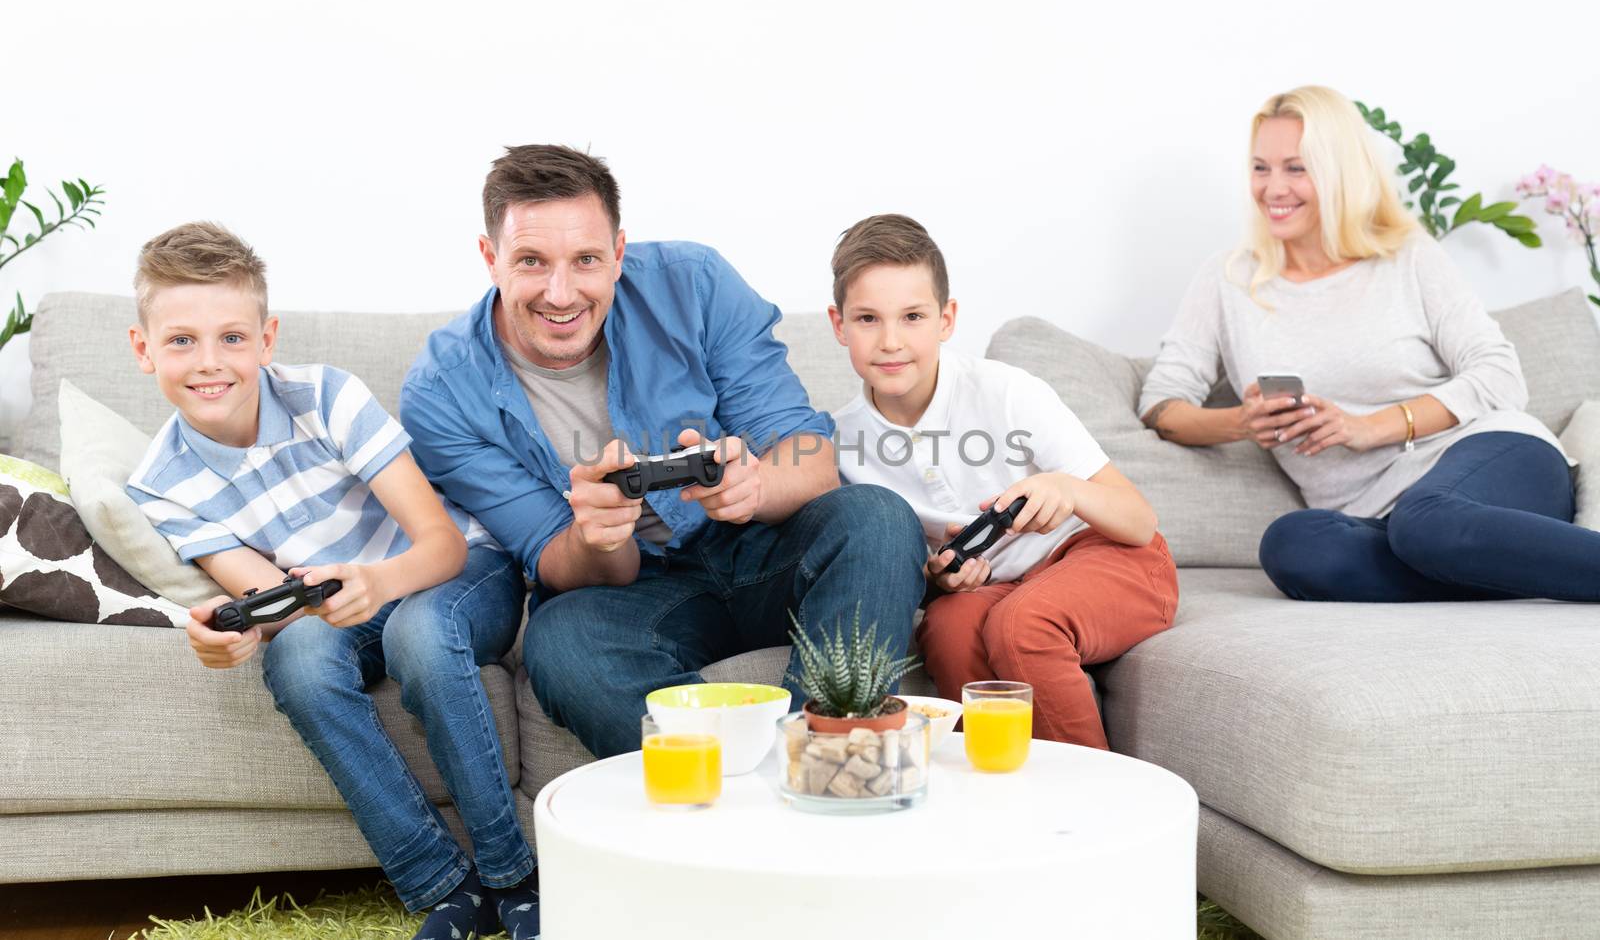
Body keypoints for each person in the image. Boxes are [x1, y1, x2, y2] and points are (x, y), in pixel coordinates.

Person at [400, 145, 926, 760]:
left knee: (878, 519)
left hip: (757, 548)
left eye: (587, 259)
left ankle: (824, 764)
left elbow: (808, 457)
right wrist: (598, 537)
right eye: (531, 261)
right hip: (633, 590)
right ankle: (729, 800)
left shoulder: (695, 284)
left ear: (619, 253)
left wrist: (754, 487)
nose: (561, 293)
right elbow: (551, 557)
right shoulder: (440, 394)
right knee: (561, 642)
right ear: (491, 259)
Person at [125, 222, 539, 940]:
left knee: (419, 629)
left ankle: (514, 878)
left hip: (457, 570)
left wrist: (379, 583)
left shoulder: (327, 397)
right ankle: (446, 888)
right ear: (143, 350)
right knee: (297, 658)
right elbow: (276, 603)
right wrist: (234, 630)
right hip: (341, 604)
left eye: (231, 337)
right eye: (181, 341)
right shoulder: (160, 485)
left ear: (266, 339)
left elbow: (439, 542)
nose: (209, 363)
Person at [1139, 84, 1598, 603]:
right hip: (1379, 519)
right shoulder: (1228, 280)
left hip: (1495, 459)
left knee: (1427, 524)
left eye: (1296, 168)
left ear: (1339, 172)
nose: (1272, 188)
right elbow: (1161, 403)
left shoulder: (1408, 258)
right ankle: (1506, 567)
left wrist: (1368, 428)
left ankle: (1486, 554)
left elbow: (1500, 374)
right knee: (1294, 546)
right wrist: (1239, 424)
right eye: (1260, 167)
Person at [827, 214, 1177, 748]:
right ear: (839, 325)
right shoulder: (841, 441)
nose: (891, 341)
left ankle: (1095, 797)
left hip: (1108, 556)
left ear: (947, 320)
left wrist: (1069, 489)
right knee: (945, 627)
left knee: (1021, 624)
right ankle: (999, 789)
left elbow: (1139, 521)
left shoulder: (1008, 392)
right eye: (868, 319)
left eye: (913, 317)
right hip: (1000, 585)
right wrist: (942, 579)